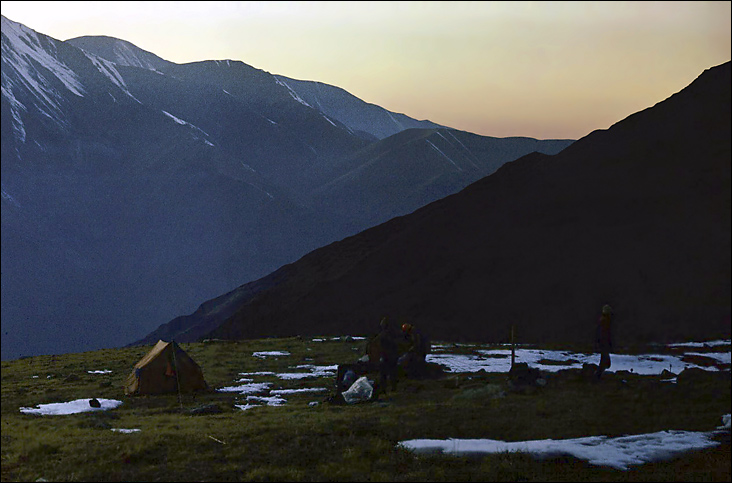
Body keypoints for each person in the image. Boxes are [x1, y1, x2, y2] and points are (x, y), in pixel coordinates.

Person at [367, 316, 399, 398]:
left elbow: (378, 344)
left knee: (384, 373)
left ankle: (385, 389)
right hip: (392, 356)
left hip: (387, 356)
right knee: (392, 373)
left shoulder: (384, 335)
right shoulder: (393, 334)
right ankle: (392, 388)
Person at [594, 304, 613, 380]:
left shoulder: (603, 320)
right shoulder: (604, 321)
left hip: (603, 343)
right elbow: (604, 333)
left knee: (605, 361)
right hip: (604, 343)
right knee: (605, 361)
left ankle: (598, 375)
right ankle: (597, 376)